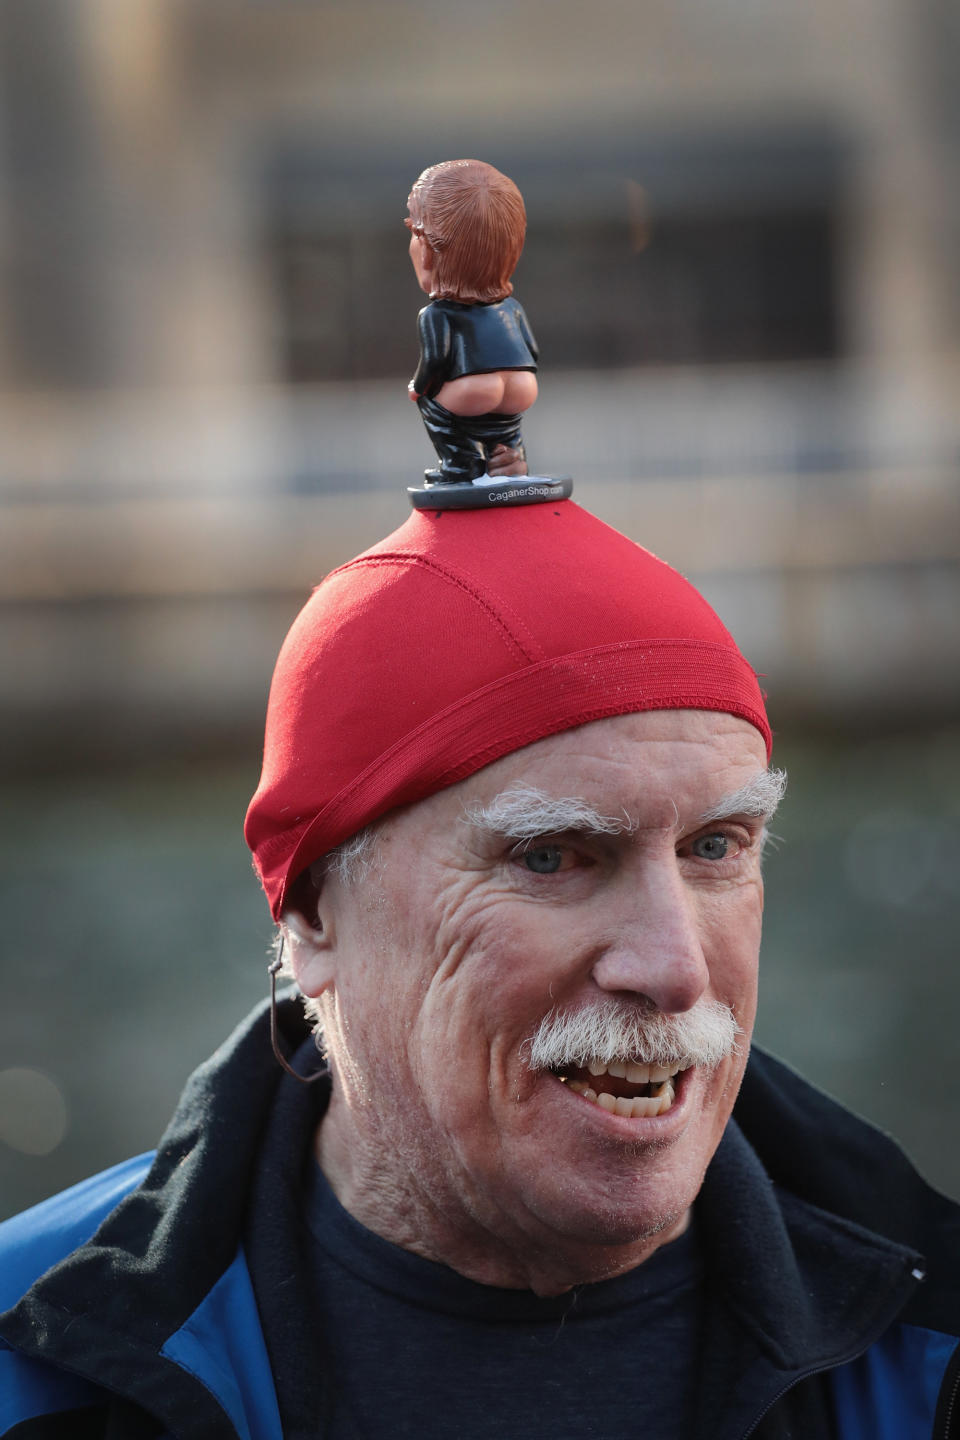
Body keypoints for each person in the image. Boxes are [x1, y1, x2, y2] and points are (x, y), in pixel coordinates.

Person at [1, 496, 959, 1438]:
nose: (674, 969)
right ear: (310, 914)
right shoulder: (29, 1357)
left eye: (716, 847)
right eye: (552, 857)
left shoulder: (935, 1335)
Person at [406, 159, 539, 483]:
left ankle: (459, 465)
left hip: (471, 389)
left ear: (428, 250)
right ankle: (511, 462)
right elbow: (532, 351)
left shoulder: (437, 314)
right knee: (506, 427)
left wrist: (419, 387)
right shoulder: (512, 307)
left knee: (435, 410)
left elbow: (436, 361)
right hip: (522, 385)